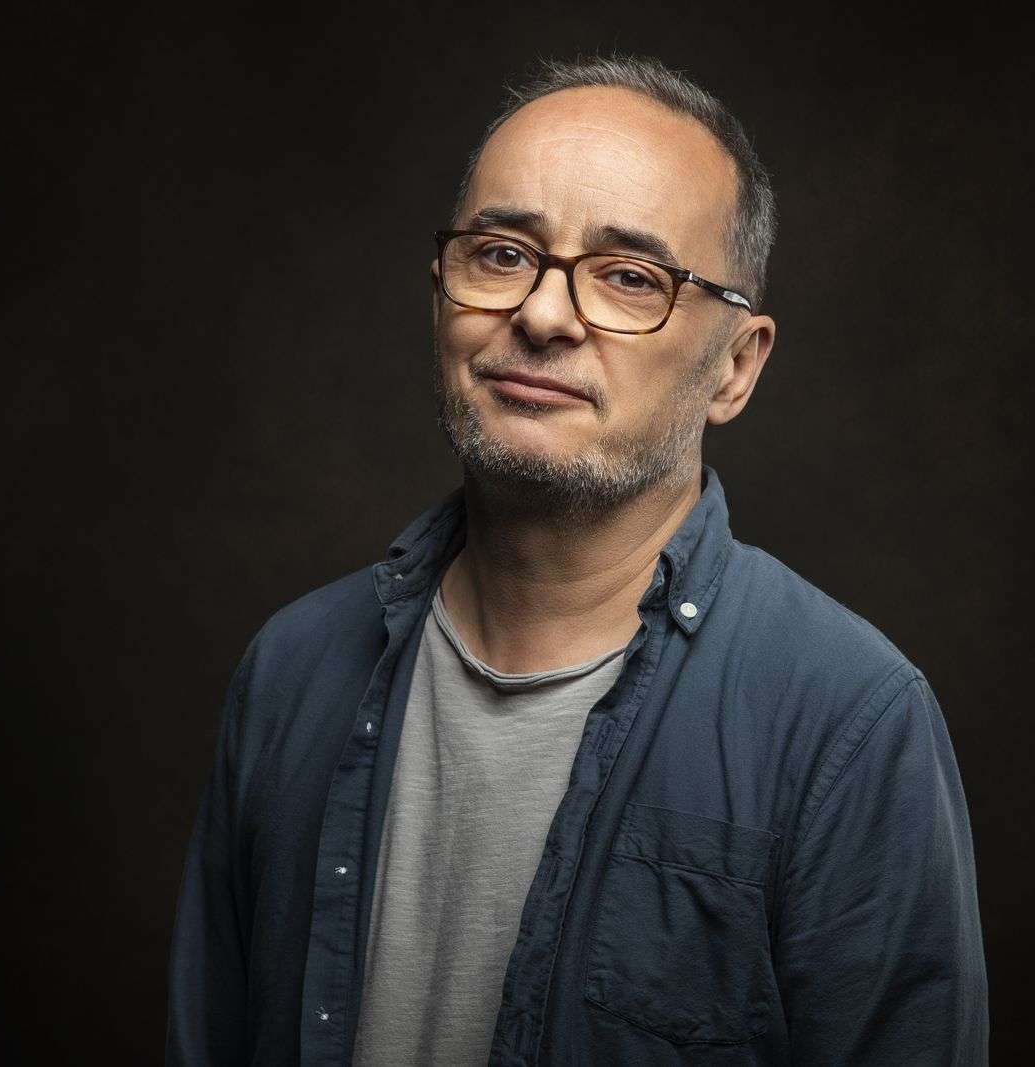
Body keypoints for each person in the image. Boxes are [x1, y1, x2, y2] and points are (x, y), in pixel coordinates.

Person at [166, 52, 988, 1065]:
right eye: (501, 253)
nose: (543, 315)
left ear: (735, 366)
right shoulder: (290, 671)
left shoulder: (847, 723)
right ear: (439, 294)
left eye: (630, 277)